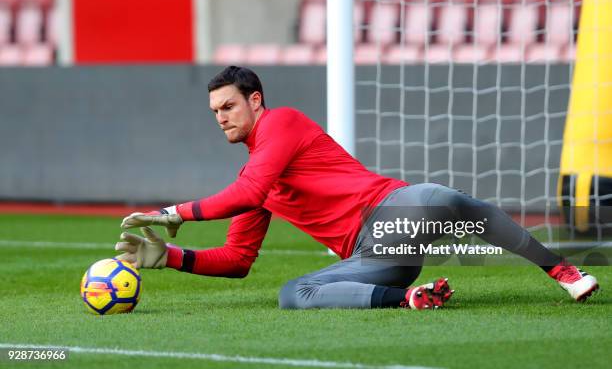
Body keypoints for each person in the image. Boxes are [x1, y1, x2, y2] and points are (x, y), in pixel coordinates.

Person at [116, 66, 599, 310]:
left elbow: (243, 194)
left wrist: (174, 212)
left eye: (228, 107)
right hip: (380, 259)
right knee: (293, 294)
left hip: (395, 210)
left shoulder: (280, 123)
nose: (220, 118)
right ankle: (411, 299)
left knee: (449, 201)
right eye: (215, 112)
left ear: (255, 101)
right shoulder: (254, 180)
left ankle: (561, 269)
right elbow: (239, 260)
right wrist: (172, 258)